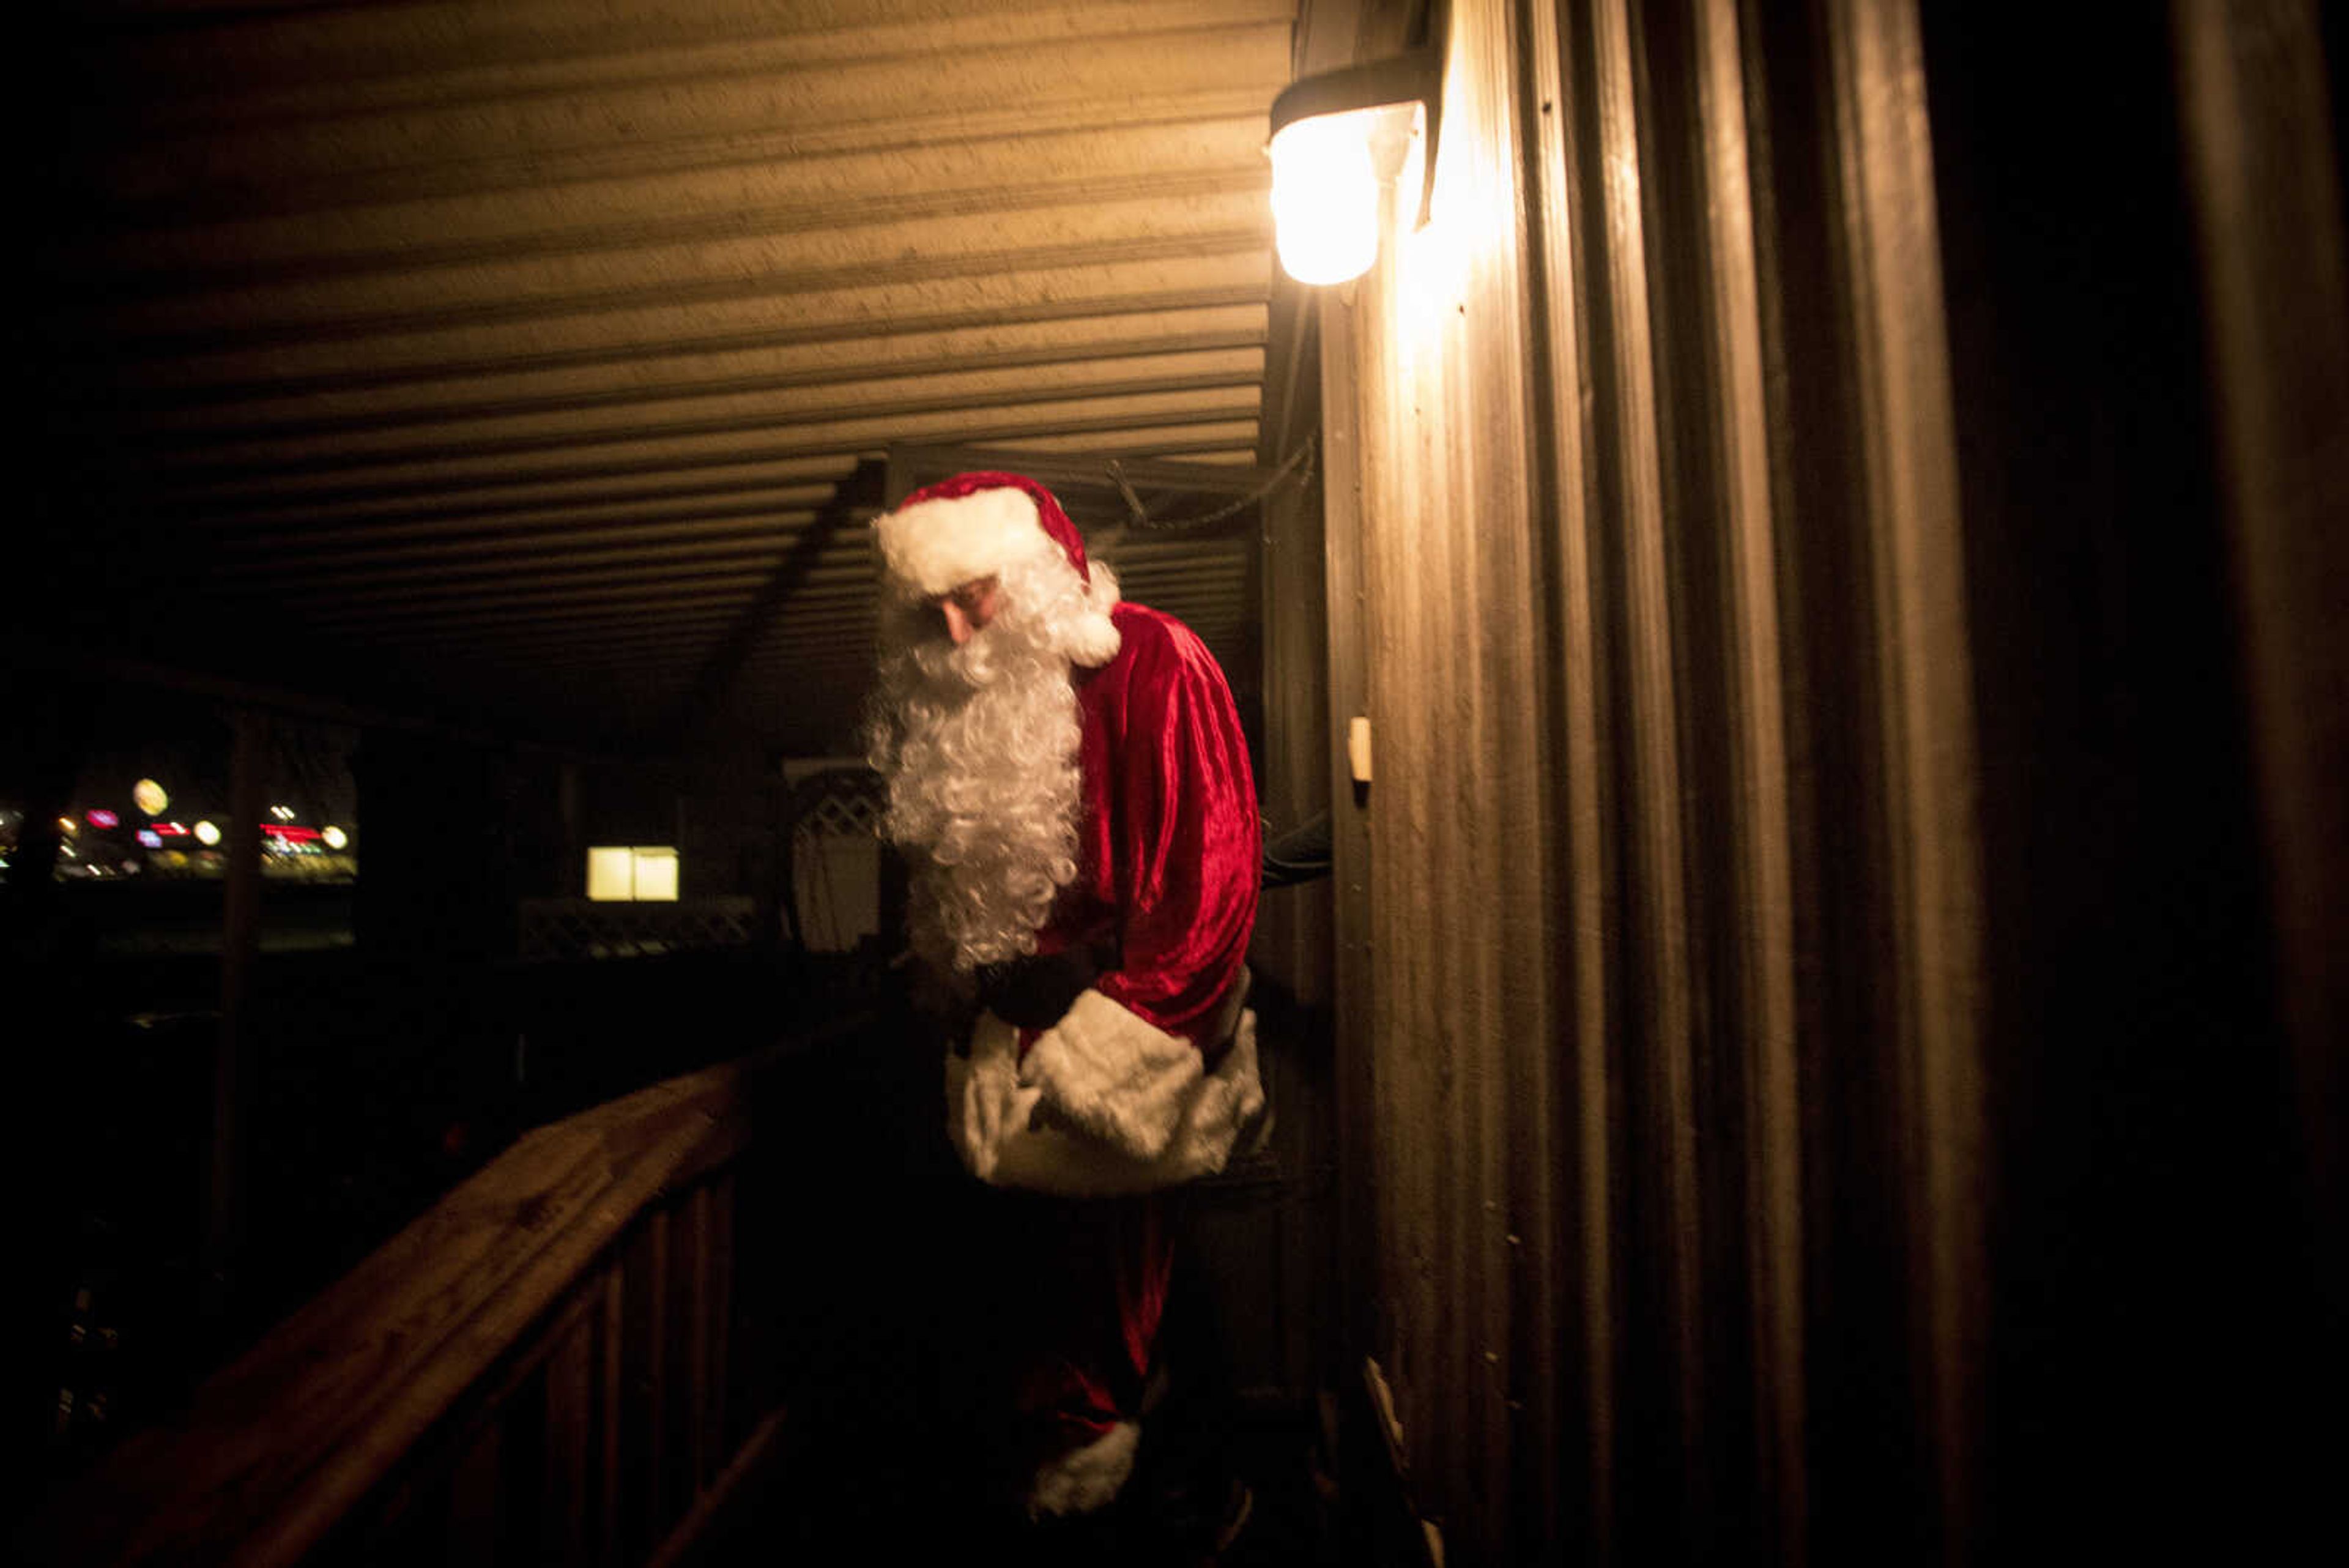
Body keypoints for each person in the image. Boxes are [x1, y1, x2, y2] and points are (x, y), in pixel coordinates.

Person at [864, 470, 1265, 1542]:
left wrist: (1116, 1034)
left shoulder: (1152, 659)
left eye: (976, 594)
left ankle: (1179, 1514)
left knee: (1124, 1332)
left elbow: (1210, 877)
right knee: (1041, 1321)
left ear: (1039, 577)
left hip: (1121, 1052)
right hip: (1017, 1071)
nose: (952, 628)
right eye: (929, 609)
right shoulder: (959, 704)